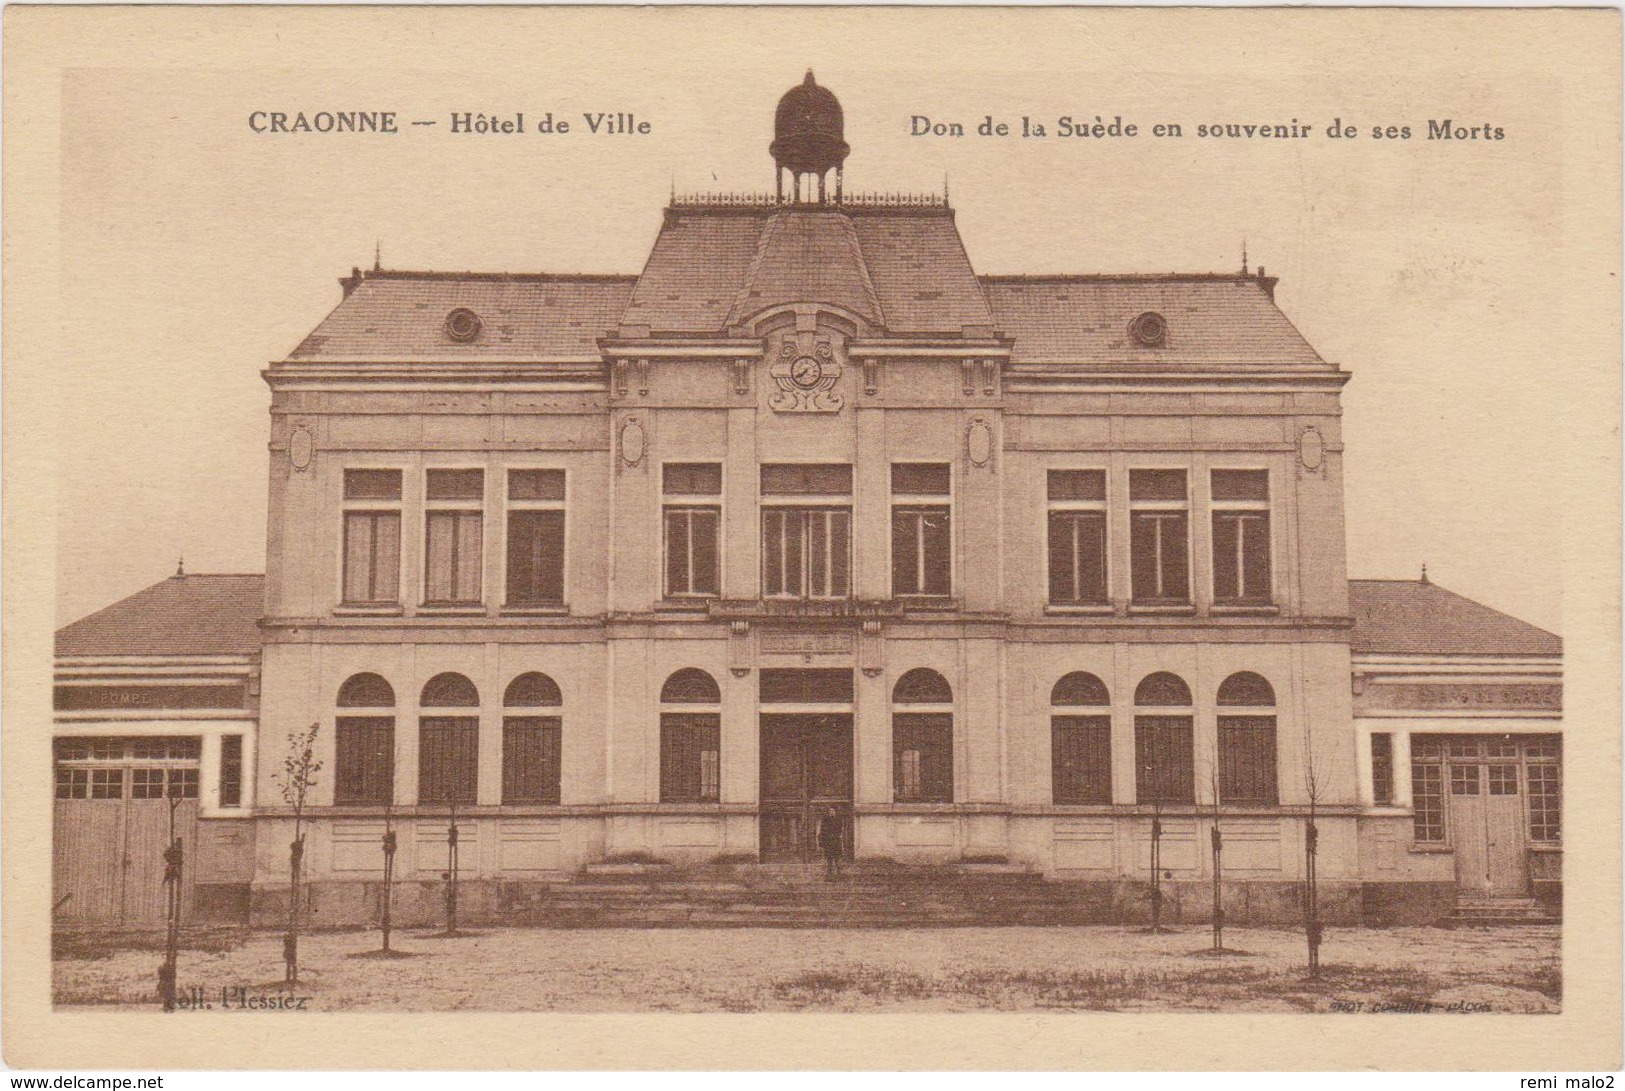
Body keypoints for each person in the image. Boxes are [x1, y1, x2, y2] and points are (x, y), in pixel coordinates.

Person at [817, 808, 844, 880]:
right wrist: (823, 843)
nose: (831, 812)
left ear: (835, 812)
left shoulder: (838, 820)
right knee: (829, 861)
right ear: (828, 812)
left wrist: (836, 836)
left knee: (837, 860)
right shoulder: (825, 821)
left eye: (833, 811)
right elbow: (822, 832)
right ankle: (829, 876)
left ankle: (839, 875)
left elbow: (840, 830)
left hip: (836, 843)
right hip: (828, 843)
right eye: (830, 811)